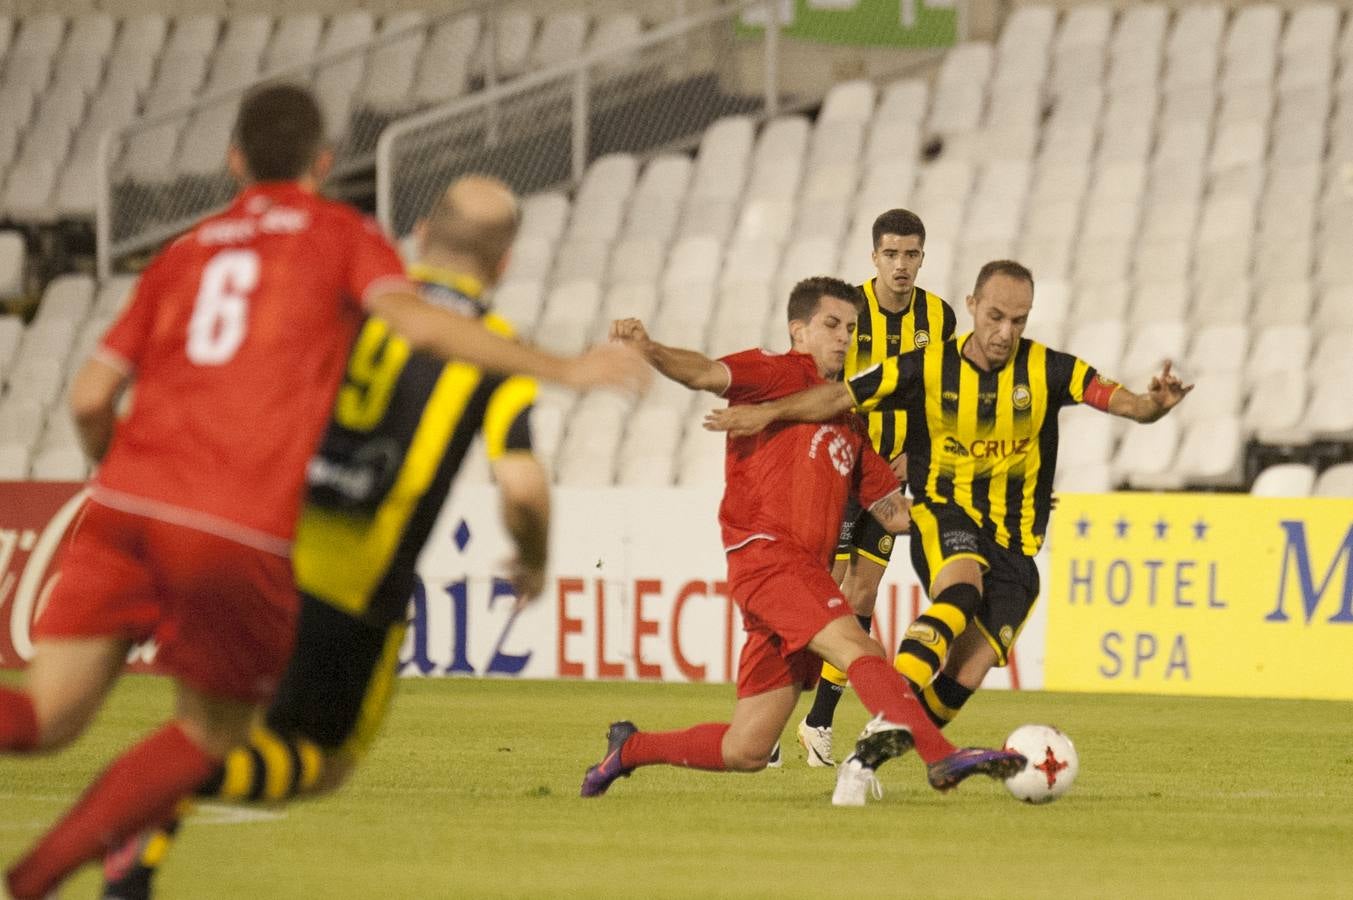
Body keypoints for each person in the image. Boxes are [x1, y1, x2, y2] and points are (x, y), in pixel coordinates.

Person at [0, 85, 644, 900]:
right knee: (294, 758)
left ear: (231, 160)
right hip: (307, 568)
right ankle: (127, 827)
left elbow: (95, 396)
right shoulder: (392, 282)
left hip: (188, 514)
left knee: (51, 721)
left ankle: (80, 856)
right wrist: (565, 391)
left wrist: (131, 479)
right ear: (325, 163)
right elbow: (515, 478)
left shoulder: (211, 261)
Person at [97, 172, 575, 898]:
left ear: (417, 237)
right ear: (504, 262)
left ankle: (150, 813)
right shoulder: (493, 350)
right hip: (354, 589)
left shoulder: (340, 306)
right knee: (321, 762)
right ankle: (156, 800)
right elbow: (522, 486)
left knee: (224, 723)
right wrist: (533, 557)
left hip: (256, 552)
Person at [581, 276, 1025, 808]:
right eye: (831, 326)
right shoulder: (774, 372)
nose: (844, 338)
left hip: (799, 575)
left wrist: (976, 508)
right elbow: (704, 372)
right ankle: (940, 756)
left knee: (746, 748)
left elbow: (892, 511)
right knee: (861, 648)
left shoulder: (846, 417)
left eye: (852, 328)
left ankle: (627, 750)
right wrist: (649, 348)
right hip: (768, 556)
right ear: (799, 330)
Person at [706, 260, 1192, 742]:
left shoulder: (1051, 369)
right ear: (973, 306)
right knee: (958, 594)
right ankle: (882, 700)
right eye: (995, 316)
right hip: (945, 515)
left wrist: (1155, 404)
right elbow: (839, 398)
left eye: (1018, 320)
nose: (1005, 331)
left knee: (961, 681)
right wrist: (766, 414)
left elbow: (1128, 404)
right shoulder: (927, 366)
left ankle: (880, 746)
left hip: (1016, 542)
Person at [800, 208, 957, 768]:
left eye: (911, 254)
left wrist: (910, 463)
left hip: (894, 477)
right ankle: (770, 709)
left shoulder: (938, 317)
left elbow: (938, 397)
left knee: (861, 594)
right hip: (843, 467)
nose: (901, 265)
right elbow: (821, 382)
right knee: (826, 591)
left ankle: (818, 722)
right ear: (874, 257)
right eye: (891, 254)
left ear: (922, 257)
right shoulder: (848, 312)